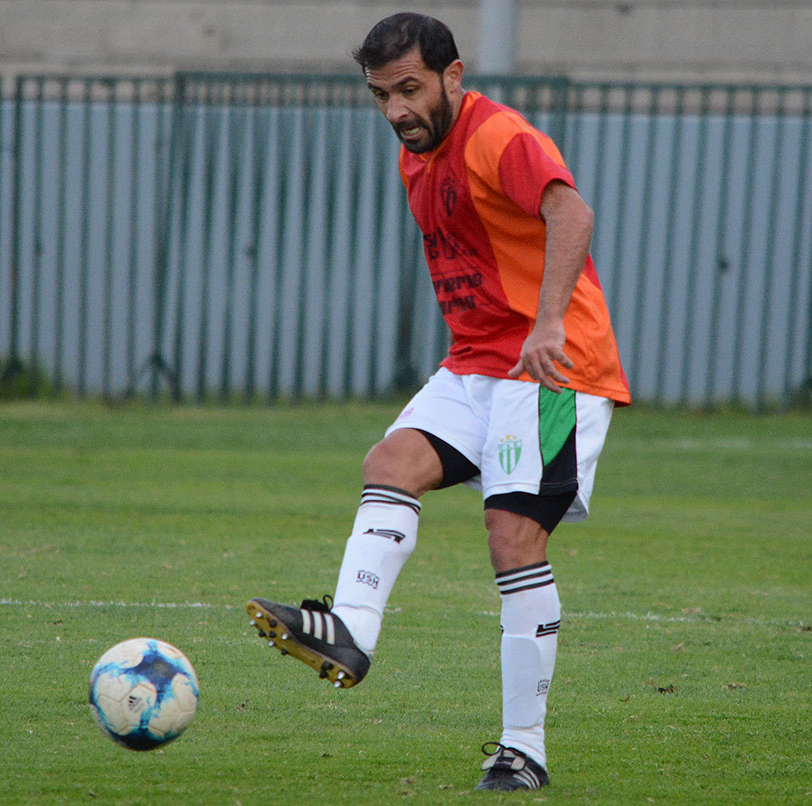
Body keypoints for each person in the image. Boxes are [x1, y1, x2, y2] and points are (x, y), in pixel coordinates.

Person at [246, 12, 631, 792]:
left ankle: (524, 746)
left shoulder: (500, 136)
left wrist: (549, 319)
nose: (396, 110)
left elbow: (572, 214)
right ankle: (350, 631)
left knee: (512, 538)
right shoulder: (413, 154)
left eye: (410, 89)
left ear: (453, 76)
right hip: (477, 366)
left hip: (555, 367)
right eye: (381, 94)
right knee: (391, 461)